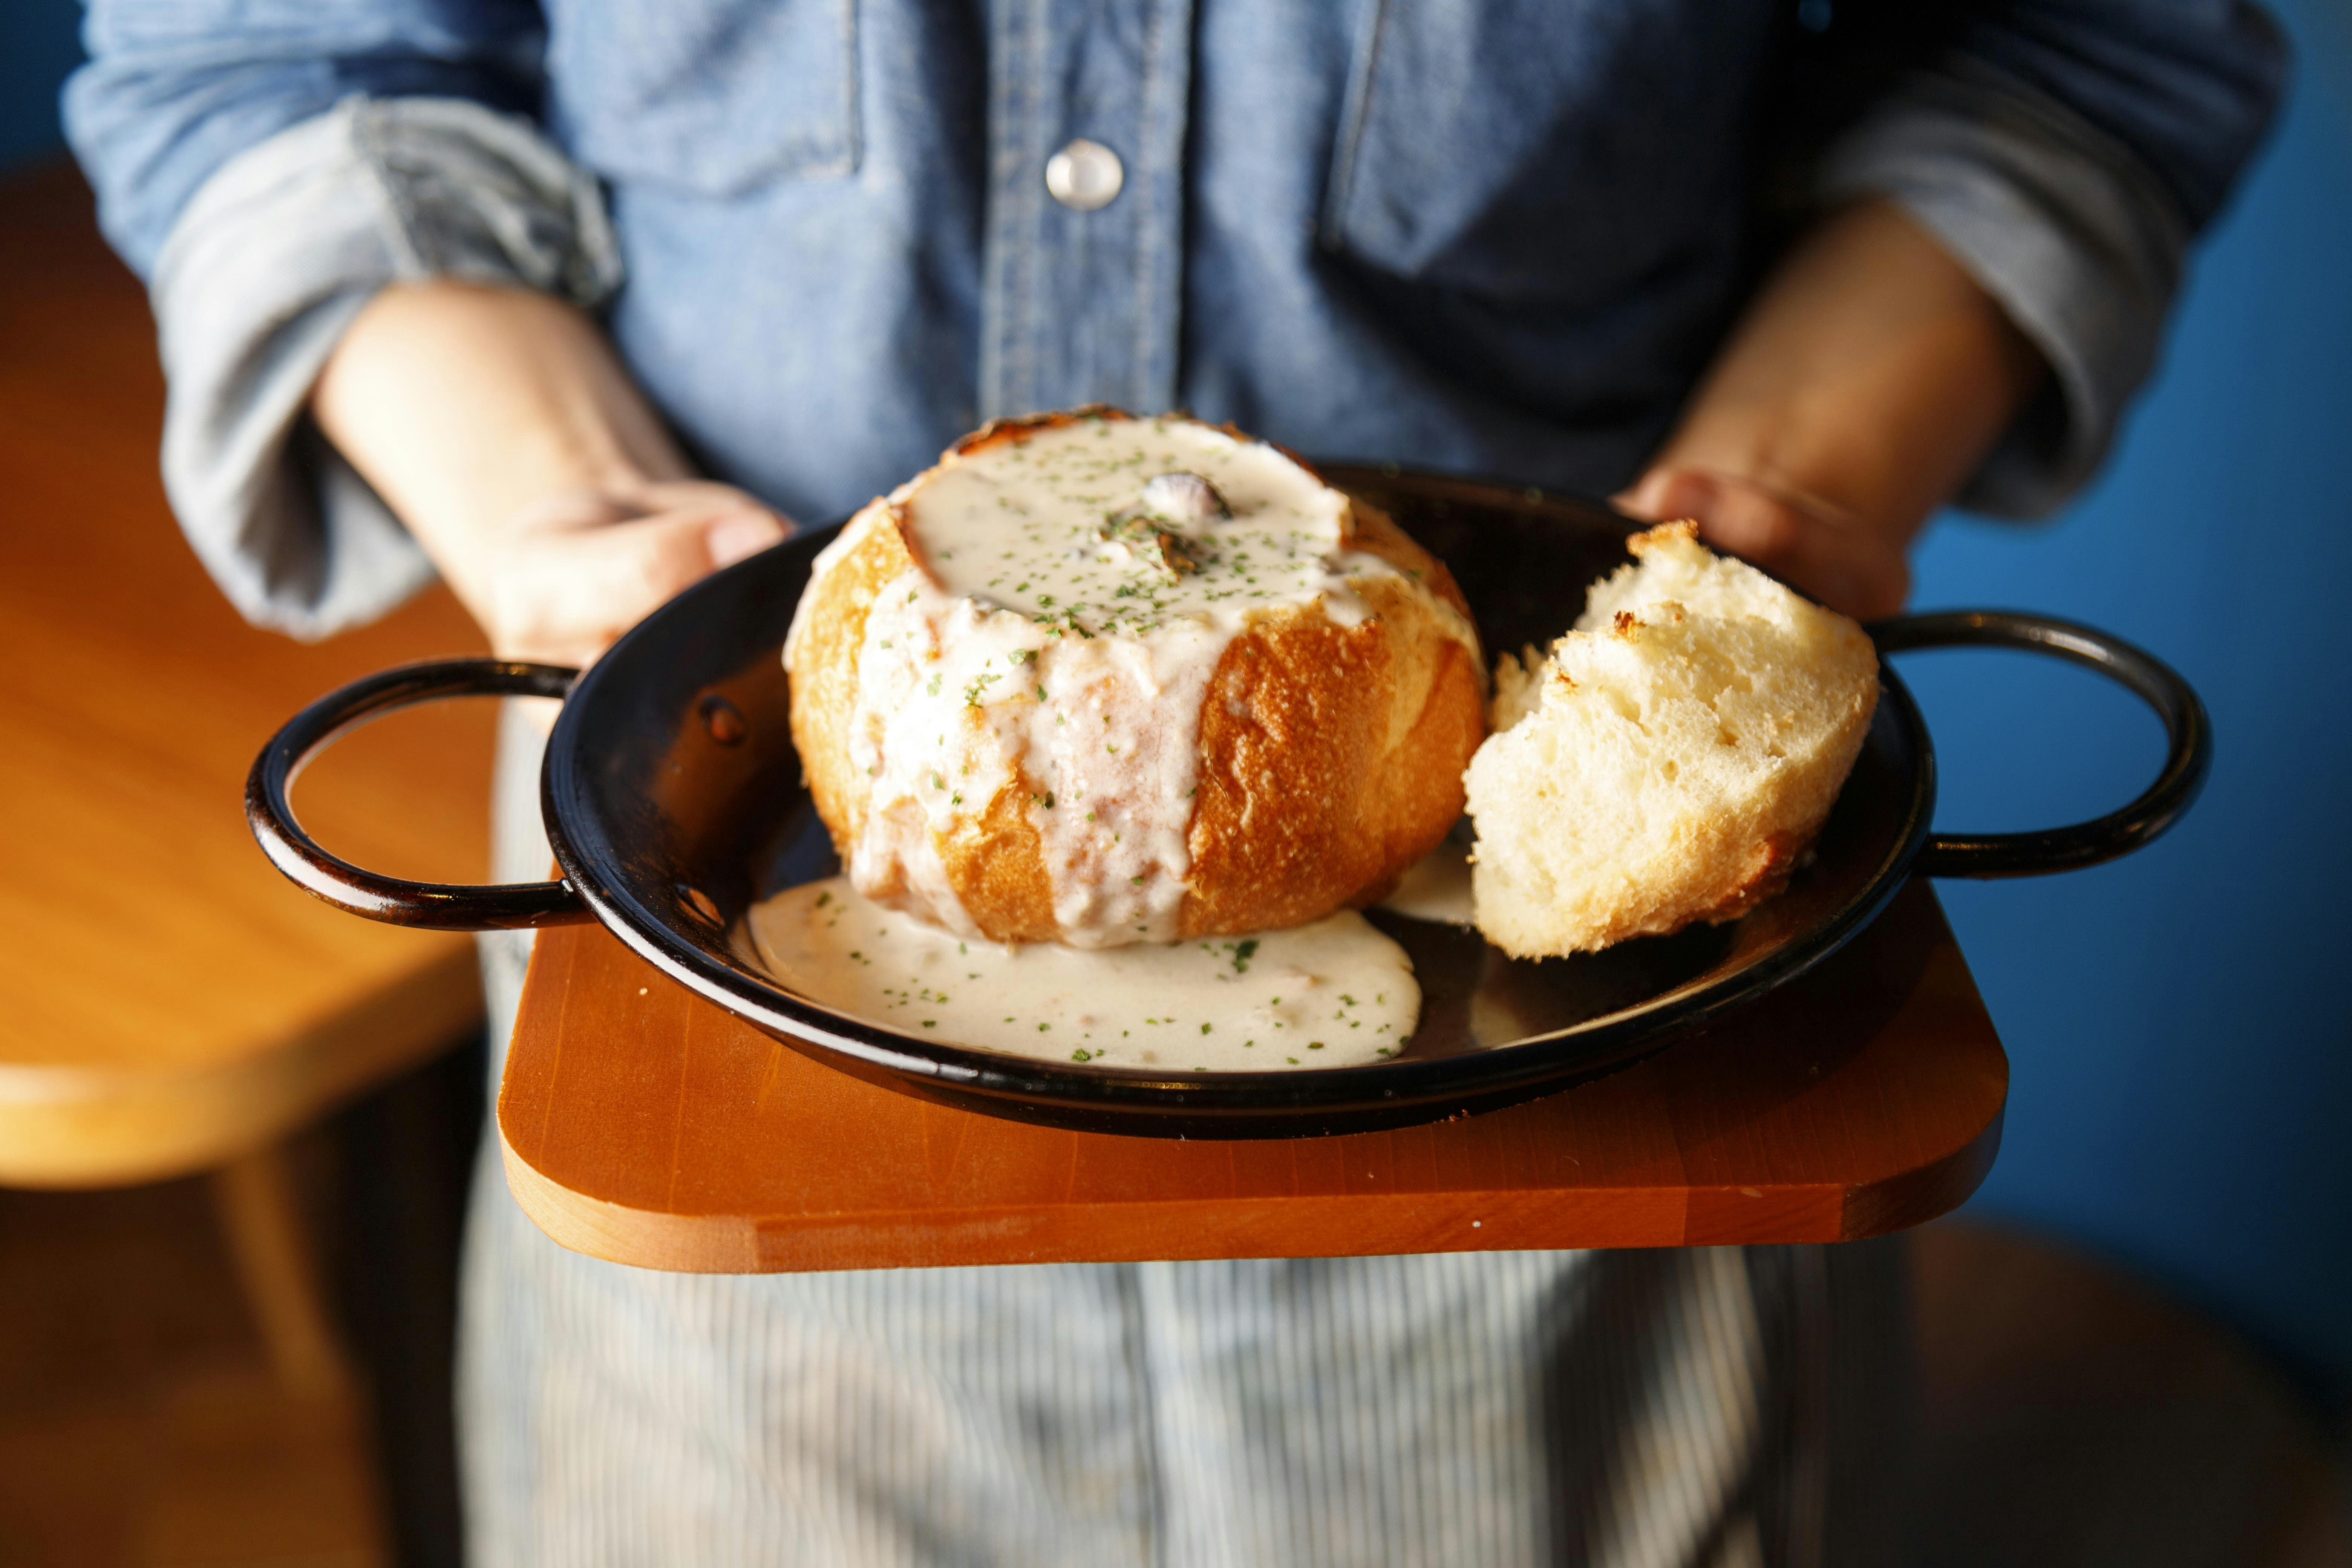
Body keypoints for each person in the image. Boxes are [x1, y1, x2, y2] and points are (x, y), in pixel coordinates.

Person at [67, 3, 2283, 1562]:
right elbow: (272, 64)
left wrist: (1765, 530)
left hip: (1564, 1079)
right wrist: (579, 540)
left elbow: (2078, 40)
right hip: (750, 1017)